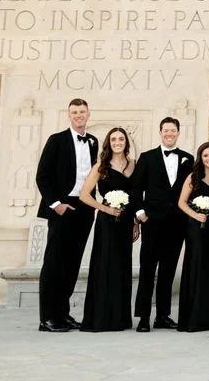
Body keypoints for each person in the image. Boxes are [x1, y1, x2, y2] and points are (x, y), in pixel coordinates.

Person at [36, 98, 99, 333]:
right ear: (69, 115)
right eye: (75, 112)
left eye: (82, 111)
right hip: (62, 208)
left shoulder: (93, 142)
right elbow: (42, 176)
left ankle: (63, 314)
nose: (79, 115)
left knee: (72, 263)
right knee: (54, 263)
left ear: (88, 113)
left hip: (84, 207)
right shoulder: (56, 140)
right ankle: (48, 318)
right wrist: (56, 204)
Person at [132, 117, 193, 332]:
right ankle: (143, 318)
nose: (169, 134)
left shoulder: (188, 158)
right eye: (166, 130)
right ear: (160, 132)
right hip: (152, 222)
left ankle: (163, 316)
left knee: (168, 270)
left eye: (173, 131)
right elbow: (136, 188)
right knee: (148, 270)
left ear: (178, 132)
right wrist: (140, 213)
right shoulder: (147, 158)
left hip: (176, 223)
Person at [79, 127, 137, 332]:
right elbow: (84, 195)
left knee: (122, 267)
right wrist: (105, 208)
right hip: (106, 222)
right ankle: (102, 317)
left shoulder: (133, 164)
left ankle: (119, 318)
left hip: (126, 221)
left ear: (126, 142)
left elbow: (136, 195)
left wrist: (135, 223)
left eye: (121, 139)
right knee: (105, 265)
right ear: (108, 143)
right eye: (114, 139)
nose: (118, 142)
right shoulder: (101, 166)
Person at [176, 142, 209, 333]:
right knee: (196, 266)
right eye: (206, 155)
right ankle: (191, 318)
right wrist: (196, 215)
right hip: (195, 227)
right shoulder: (193, 177)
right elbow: (181, 202)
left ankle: (207, 318)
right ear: (200, 158)